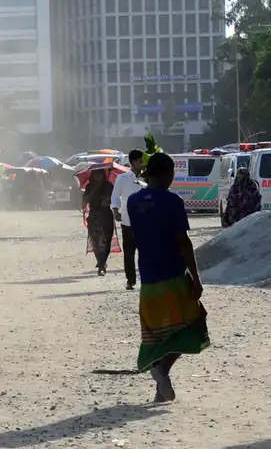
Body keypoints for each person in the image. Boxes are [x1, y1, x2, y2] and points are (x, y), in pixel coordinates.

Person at [127, 152, 209, 403]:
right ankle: (160, 370)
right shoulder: (172, 201)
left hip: (148, 277)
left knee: (159, 333)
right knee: (194, 323)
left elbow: (133, 239)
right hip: (172, 275)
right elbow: (183, 242)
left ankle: (160, 388)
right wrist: (195, 277)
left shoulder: (133, 201)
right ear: (167, 174)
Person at [111, 150, 146, 290]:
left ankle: (146, 279)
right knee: (129, 254)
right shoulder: (122, 178)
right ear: (134, 162)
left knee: (145, 253)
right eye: (141, 160)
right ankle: (130, 280)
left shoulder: (147, 179)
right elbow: (115, 196)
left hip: (145, 222)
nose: (143, 163)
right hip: (127, 222)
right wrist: (115, 210)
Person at [82, 168, 115, 276]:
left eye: (100, 174)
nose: (98, 176)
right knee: (96, 242)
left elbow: (113, 199)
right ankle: (101, 264)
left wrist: (107, 198)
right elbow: (84, 200)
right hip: (94, 217)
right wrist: (94, 190)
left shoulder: (109, 186)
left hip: (106, 216)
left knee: (106, 241)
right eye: (96, 174)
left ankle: (102, 262)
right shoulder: (90, 187)